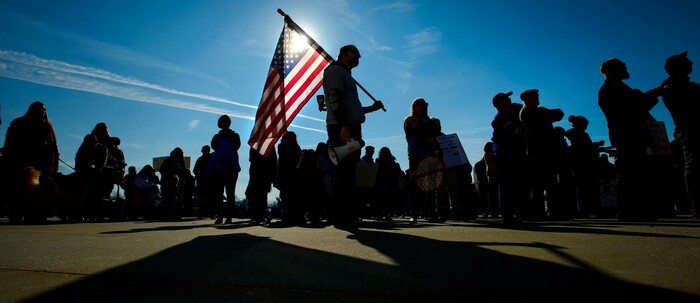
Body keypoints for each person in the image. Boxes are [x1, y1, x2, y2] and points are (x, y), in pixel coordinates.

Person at [322, 44, 384, 230]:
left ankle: (346, 216)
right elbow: (334, 97)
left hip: (349, 126)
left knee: (348, 173)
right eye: (354, 52)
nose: (358, 56)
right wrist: (343, 125)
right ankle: (342, 218)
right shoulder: (335, 71)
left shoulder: (346, 74)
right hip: (342, 127)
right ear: (342, 54)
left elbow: (351, 107)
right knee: (344, 173)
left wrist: (370, 110)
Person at [598, 58, 662, 221]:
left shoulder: (619, 88)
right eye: (622, 66)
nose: (626, 68)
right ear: (612, 69)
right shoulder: (612, 89)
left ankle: (635, 209)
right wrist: (651, 95)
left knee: (636, 171)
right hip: (627, 133)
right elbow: (632, 108)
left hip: (630, 133)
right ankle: (631, 210)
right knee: (632, 171)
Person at [659, 52, 700, 220]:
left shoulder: (690, 86)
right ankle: (697, 208)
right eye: (686, 61)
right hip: (691, 129)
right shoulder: (672, 86)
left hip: (689, 129)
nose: (690, 62)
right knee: (694, 166)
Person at [518, 89, 564, 220]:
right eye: (534, 96)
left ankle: (554, 211)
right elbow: (546, 118)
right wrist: (546, 114)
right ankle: (538, 212)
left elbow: (559, 114)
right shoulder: (526, 112)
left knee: (551, 182)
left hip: (547, 150)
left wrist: (546, 113)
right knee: (538, 184)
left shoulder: (539, 110)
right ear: (526, 99)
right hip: (536, 150)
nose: (537, 98)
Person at [491, 92, 529, 223]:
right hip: (507, 154)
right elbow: (516, 132)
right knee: (509, 185)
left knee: (517, 183)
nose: (510, 101)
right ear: (500, 103)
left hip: (514, 154)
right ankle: (508, 214)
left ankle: (518, 212)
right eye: (507, 99)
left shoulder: (509, 116)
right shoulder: (500, 118)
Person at [404, 98, 442, 224]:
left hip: (430, 155)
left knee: (431, 185)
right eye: (419, 105)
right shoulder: (410, 120)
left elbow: (438, 135)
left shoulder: (432, 122)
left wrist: (433, 140)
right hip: (416, 155)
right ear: (414, 107)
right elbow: (409, 134)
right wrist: (417, 119)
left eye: (425, 105)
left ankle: (432, 212)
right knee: (415, 185)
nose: (423, 107)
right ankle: (414, 214)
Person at [565, 115, 604, 218]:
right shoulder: (579, 134)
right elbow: (583, 148)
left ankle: (586, 209)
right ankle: (588, 209)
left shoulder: (576, 134)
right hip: (585, 165)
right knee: (587, 188)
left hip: (582, 164)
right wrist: (597, 145)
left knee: (585, 188)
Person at [208, 115, 241, 224]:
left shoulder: (235, 136)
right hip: (220, 167)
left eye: (227, 122)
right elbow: (213, 146)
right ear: (220, 124)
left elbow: (237, 146)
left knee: (230, 192)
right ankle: (220, 215)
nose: (226, 124)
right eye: (223, 122)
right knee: (219, 193)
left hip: (231, 167)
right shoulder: (217, 137)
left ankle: (229, 216)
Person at [275, 131, 302, 224]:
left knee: (294, 196)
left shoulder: (297, 147)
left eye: (293, 137)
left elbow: (299, 157)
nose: (291, 138)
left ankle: (294, 215)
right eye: (289, 137)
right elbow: (285, 156)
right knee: (286, 196)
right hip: (285, 174)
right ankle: (286, 215)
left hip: (295, 174)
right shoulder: (281, 146)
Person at [246, 147, 277, 225]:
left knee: (263, 195)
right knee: (257, 195)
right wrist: (263, 158)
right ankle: (256, 216)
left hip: (266, 173)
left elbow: (274, 159)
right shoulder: (255, 145)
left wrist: (273, 173)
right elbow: (251, 159)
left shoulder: (271, 146)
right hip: (256, 173)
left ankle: (261, 215)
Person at [192, 145, 213, 219]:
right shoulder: (212, 157)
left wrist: (198, 175)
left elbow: (194, 170)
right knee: (210, 198)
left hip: (202, 180)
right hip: (210, 179)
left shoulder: (200, 159)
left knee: (201, 198)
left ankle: (201, 214)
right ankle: (211, 213)